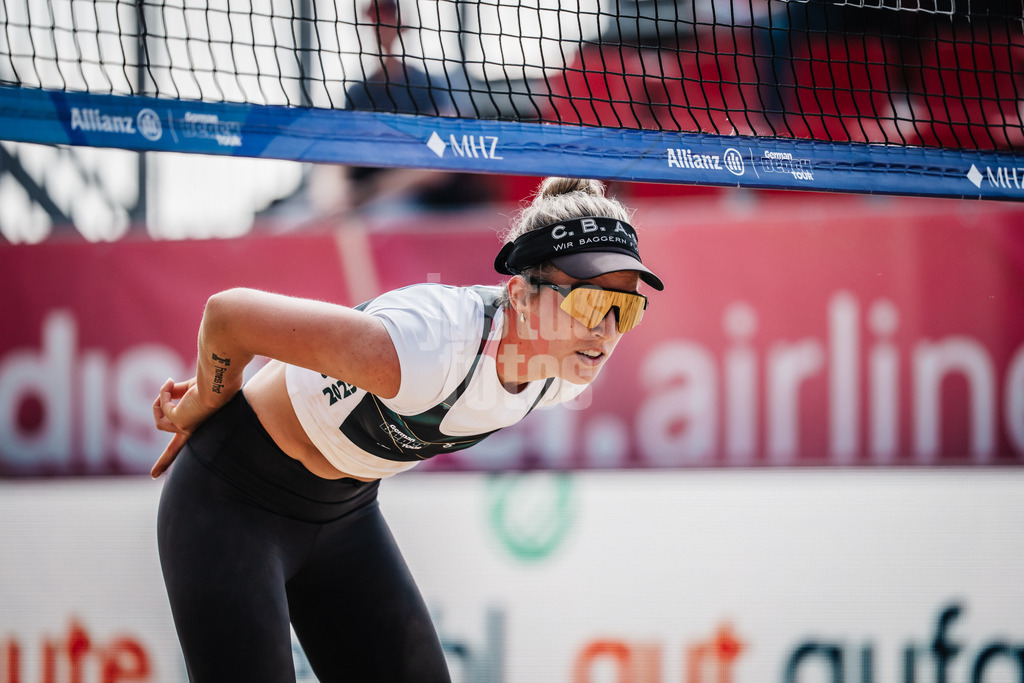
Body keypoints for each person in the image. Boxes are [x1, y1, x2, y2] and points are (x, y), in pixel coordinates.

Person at [151, 176, 664, 682]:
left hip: (343, 515)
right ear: (521, 296)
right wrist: (205, 398)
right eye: (590, 303)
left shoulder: (562, 374)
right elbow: (228, 317)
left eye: (627, 307)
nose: (607, 331)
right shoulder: (424, 349)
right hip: (231, 500)